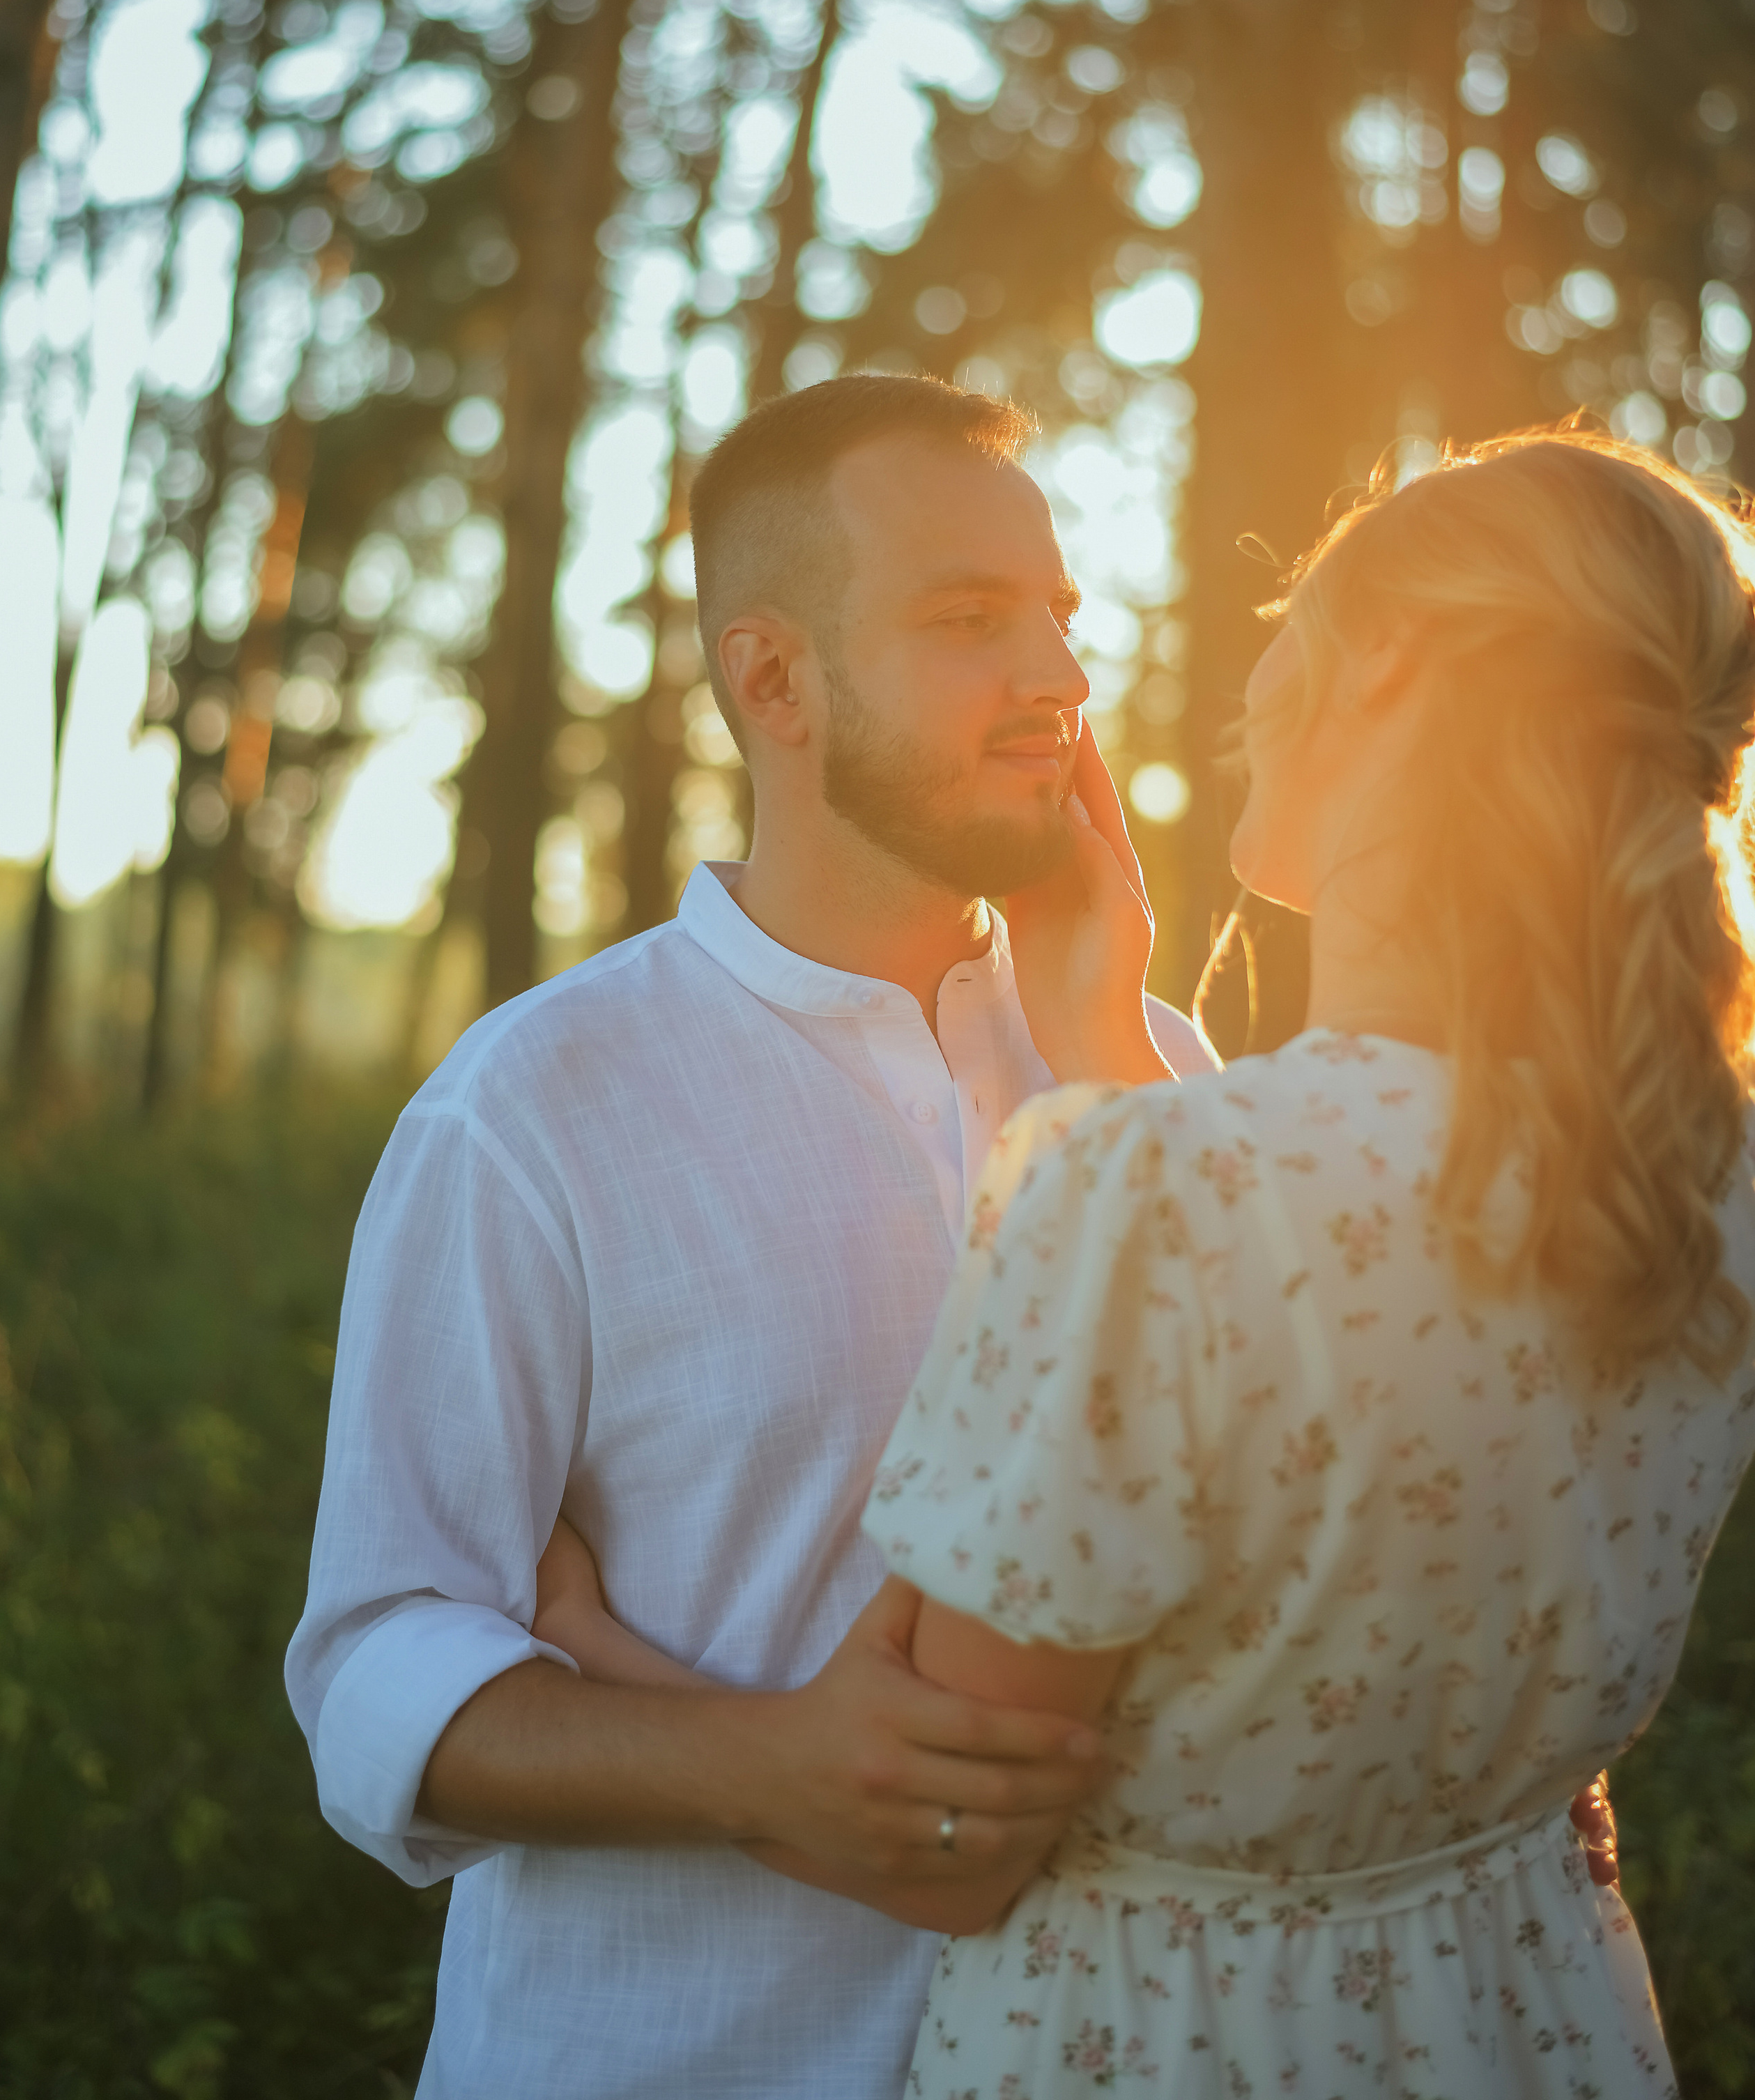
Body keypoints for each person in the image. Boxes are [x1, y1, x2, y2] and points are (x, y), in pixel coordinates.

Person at [539, 427, 1755, 2098]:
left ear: (1389, 677)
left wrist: (584, 1645)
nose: (1063, 671)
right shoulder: (1709, 1175)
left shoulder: (1154, 1196)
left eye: (1301, 620)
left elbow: (943, 1843)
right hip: (1524, 2017)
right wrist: (1106, 1028)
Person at [284, 372, 1214, 2100]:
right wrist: (761, 1768)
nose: (1058, 683)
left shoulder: (1162, 1079)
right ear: (771, 677)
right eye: (967, 620)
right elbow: (375, 1662)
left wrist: (1114, 1039)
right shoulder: (533, 1106)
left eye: (1057, 621)